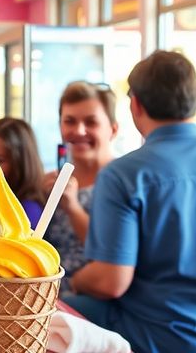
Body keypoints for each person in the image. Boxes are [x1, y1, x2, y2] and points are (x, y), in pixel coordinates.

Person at [68, 51, 196, 353]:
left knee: (53, 313)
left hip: (161, 340)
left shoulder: (124, 175)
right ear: (194, 99)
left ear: (135, 104)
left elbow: (110, 282)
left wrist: (77, 281)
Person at [42, 82, 118, 292]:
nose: (79, 130)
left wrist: (73, 208)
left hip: (89, 298)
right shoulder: (51, 178)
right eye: (69, 121)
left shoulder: (122, 182)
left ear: (113, 129)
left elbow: (111, 256)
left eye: (91, 122)